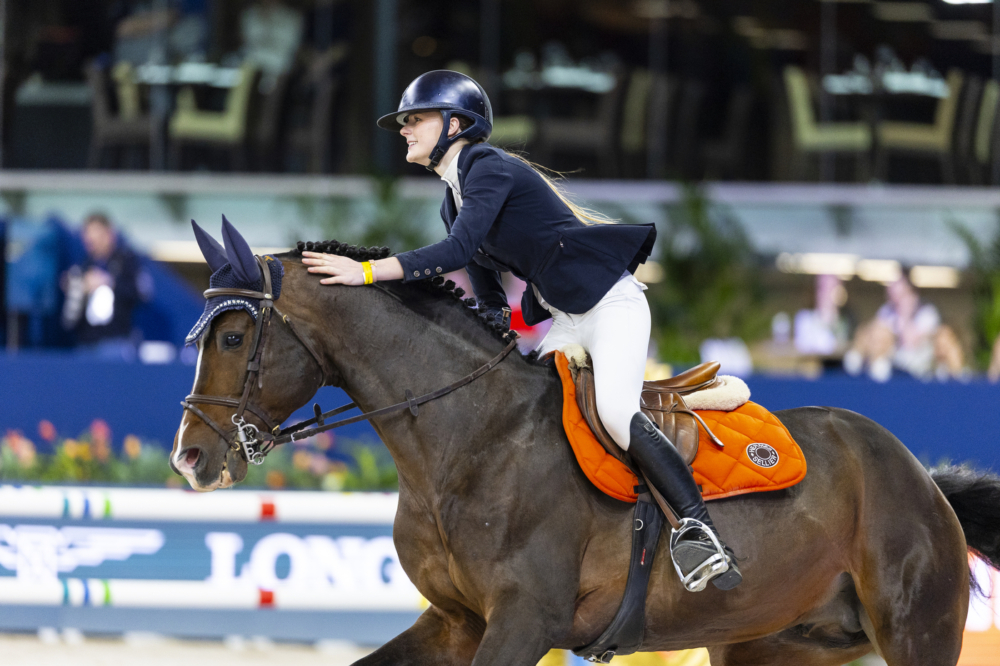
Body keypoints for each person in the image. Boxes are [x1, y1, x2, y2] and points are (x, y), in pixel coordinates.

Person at [301, 70, 742, 591]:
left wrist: (368, 272)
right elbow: (487, 289)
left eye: (414, 119)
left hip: (611, 308)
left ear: (455, 124)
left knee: (617, 414)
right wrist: (489, 341)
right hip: (567, 319)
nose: (404, 129)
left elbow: (456, 255)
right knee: (536, 416)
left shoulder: (486, 167)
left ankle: (699, 531)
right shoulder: (454, 197)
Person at [61, 213, 145, 359]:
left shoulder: (125, 261)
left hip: (115, 342)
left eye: (96, 233)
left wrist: (108, 282)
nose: (91, 239)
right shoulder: (84, 266)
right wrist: (75, 286)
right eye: (88, 234)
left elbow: (140, 293)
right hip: (85, 343)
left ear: (108, 234)